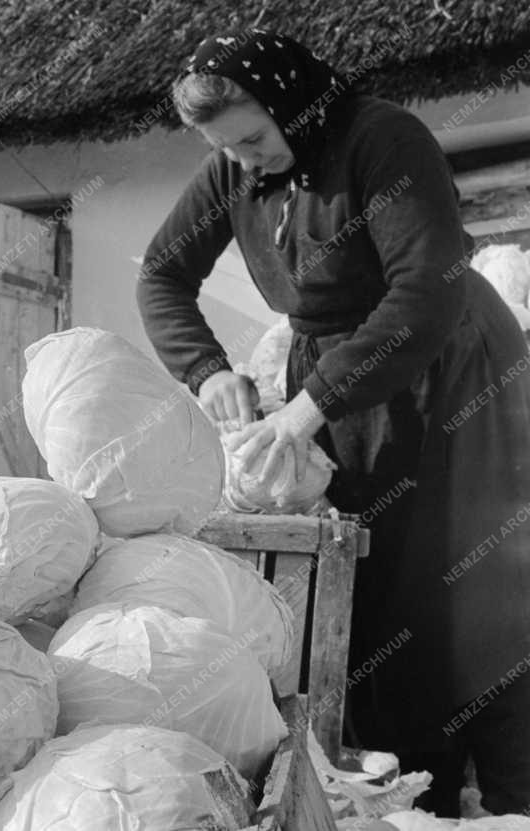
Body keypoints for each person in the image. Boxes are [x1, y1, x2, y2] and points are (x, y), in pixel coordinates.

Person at [137, 30, 530, 815]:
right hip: (338, 381)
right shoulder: (235, 169)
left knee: (462, 588)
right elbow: (161, 275)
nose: (244, 161)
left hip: (447, 368)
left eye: (252, 137)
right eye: (226, 147)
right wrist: (209, 370)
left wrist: (308, 404)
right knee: (367, 581)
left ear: (292, 102)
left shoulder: (383, 140)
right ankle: (410, 791)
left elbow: (427, 289)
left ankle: (504, 790)